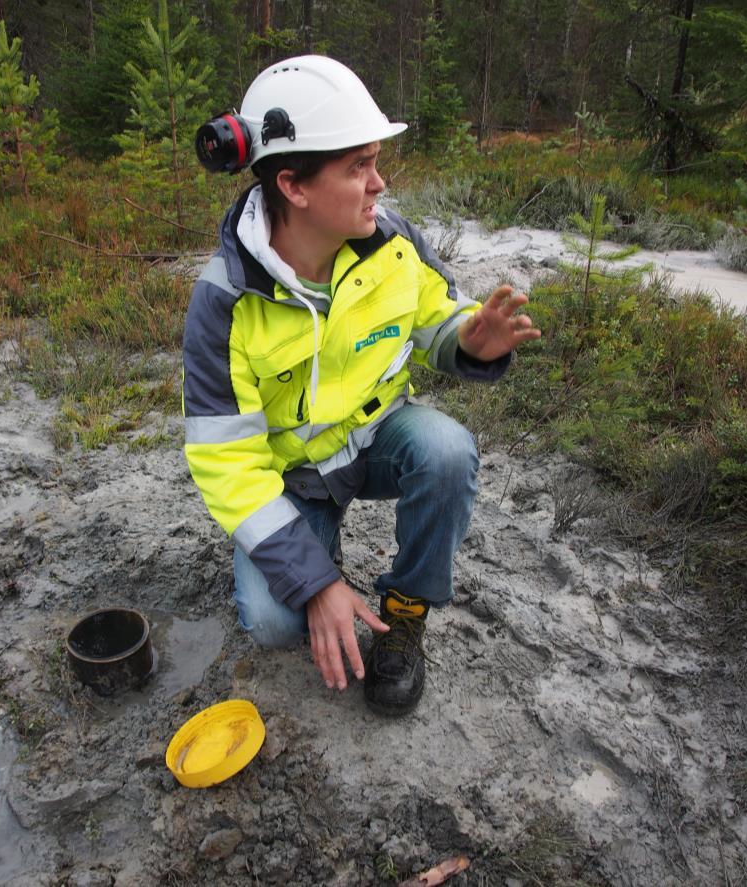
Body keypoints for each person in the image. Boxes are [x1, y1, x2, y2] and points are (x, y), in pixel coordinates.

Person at [183, 55, 541, 716]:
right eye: (358, 166)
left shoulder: (391, 243)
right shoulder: (225, 303)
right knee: (274, 624)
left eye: (378, 162)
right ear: (293, 186)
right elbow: (225, 463)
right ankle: (314, 549)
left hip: (377, 439)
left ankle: (404, 610)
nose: (379, 184)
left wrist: (468, 339)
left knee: (446, 450)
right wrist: (316, 583)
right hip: (292, 478)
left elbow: (437, 317)